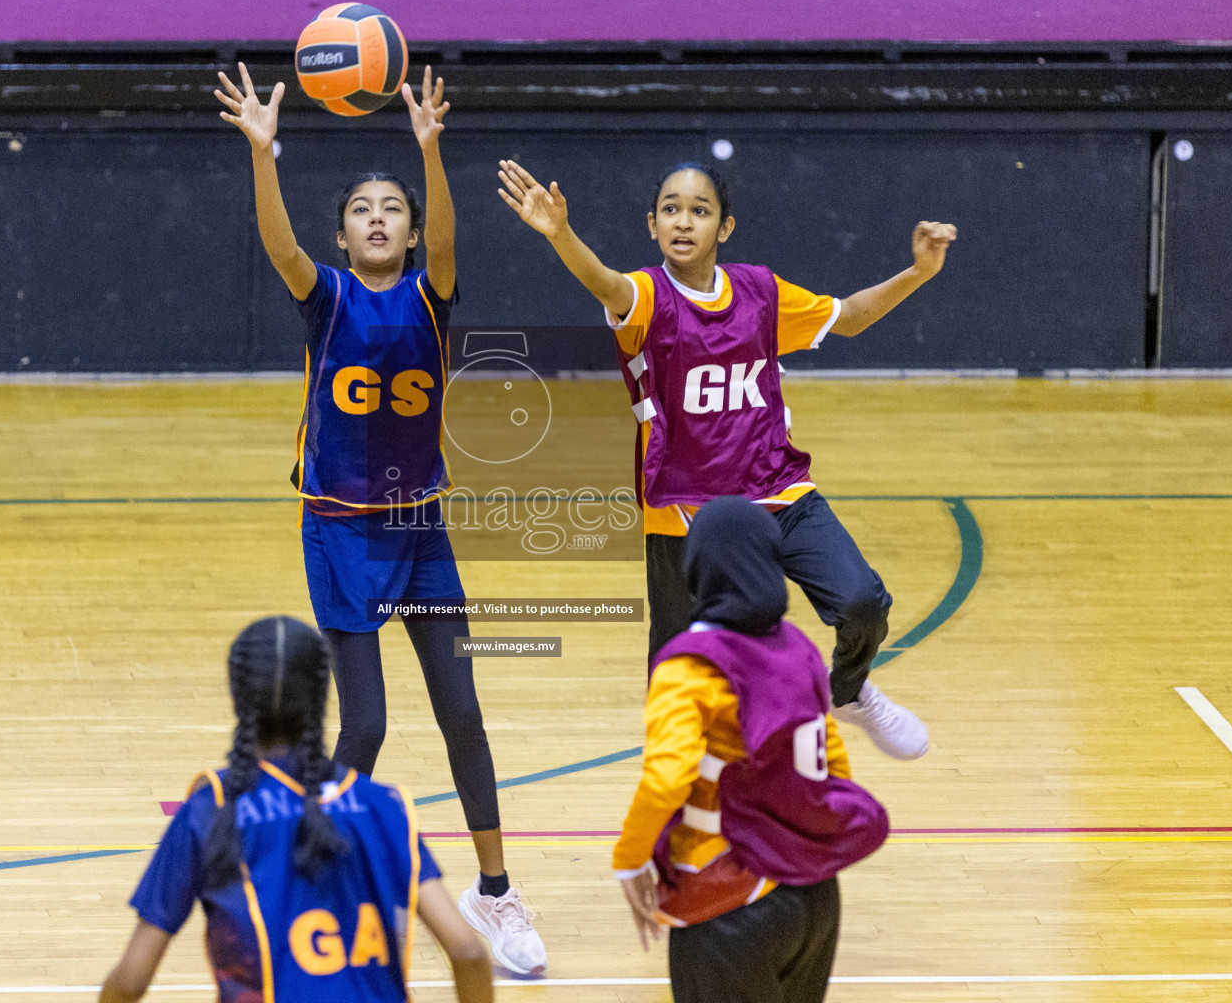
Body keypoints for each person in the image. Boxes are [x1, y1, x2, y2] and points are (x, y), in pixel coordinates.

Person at [214, 65, 546, 974]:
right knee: (363, 728)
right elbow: (279, 244)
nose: (376, 217)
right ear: (343, 233)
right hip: (340, 533)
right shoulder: (325, 298)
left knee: (463, 713)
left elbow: (447, 241)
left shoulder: (432, 297)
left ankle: (495, 894)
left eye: (390, 207)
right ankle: (318, 874)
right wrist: (261, 151)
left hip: (421, 530)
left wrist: (429, 154)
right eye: (361, 208)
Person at [497, 158, 957, 760]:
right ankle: (674, 793)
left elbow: (847, 319)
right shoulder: (644, 296)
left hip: (776, 489)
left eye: (699, 210)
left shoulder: (760, 291)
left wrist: (918, 273)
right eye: (670, 209)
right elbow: (605, 282)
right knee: (677, 671)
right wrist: (561, 234)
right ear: (652, 225)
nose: (683, 222)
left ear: (725, 227)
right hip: (687, 512)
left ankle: (846, 693)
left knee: (863, 602)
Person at [97, 616, 494, 1003]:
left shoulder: (212, 809)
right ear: (322, 698)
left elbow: (131, 981)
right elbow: (468, 953)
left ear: (236, 698)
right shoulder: (383, 806)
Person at [613, 497, 890, 1003]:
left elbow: (667, 777)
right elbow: (835, 767)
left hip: (731, 902)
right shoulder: (799, 647)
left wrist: (630, 859)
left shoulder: (690, 666)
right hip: (816, 896)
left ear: (697, 567)